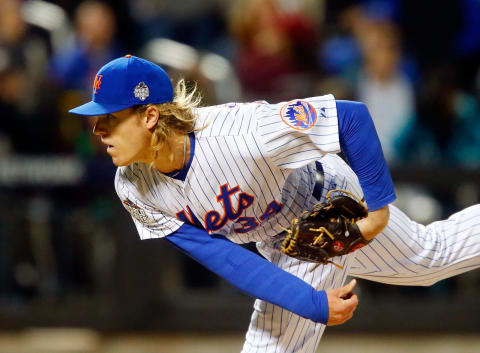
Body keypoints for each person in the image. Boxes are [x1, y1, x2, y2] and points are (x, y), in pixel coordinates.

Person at [69, 55, 480, 353]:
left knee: (432, 258)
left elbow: (351, 118)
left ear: (150, 117)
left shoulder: (242, 133)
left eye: (110, 117)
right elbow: (226, 258)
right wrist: (311, 303)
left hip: (329, 201)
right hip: (282, 244)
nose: (98, 128)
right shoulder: (131, 185)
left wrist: (377, 212)